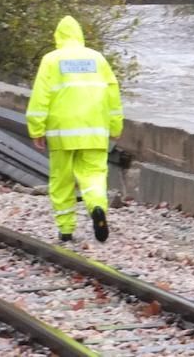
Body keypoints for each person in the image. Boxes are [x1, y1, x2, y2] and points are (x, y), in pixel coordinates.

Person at [25, 15, 124, 243]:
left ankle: (66, 229)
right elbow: (113, 95)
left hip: (62, 133)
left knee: (62, 180)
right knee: (94, 177)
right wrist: (115, 125)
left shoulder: (51, 60)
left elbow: (41, 97)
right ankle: (97, 207)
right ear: (80, 35)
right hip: (95, 132)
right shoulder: (98, 59)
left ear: (58, 37)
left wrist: (36, 129)